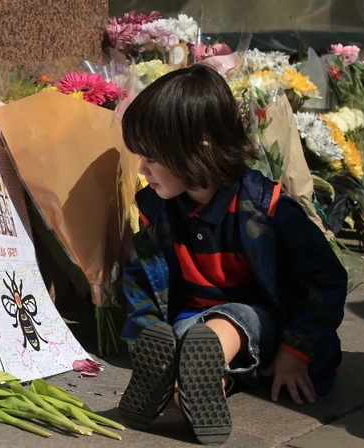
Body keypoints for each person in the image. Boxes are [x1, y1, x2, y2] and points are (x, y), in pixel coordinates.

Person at [116, 63, 347, 445]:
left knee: (233, 317)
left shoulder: (269, 210)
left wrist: (297, 352)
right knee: (186, 341)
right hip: (191, 329)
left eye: (152, 158)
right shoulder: (159, 211)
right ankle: (198, 385)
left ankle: (187, 372)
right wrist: (144, 340)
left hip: (266, 329)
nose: (142, 170)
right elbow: (139, 281)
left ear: (199, 147)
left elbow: (325, 279)